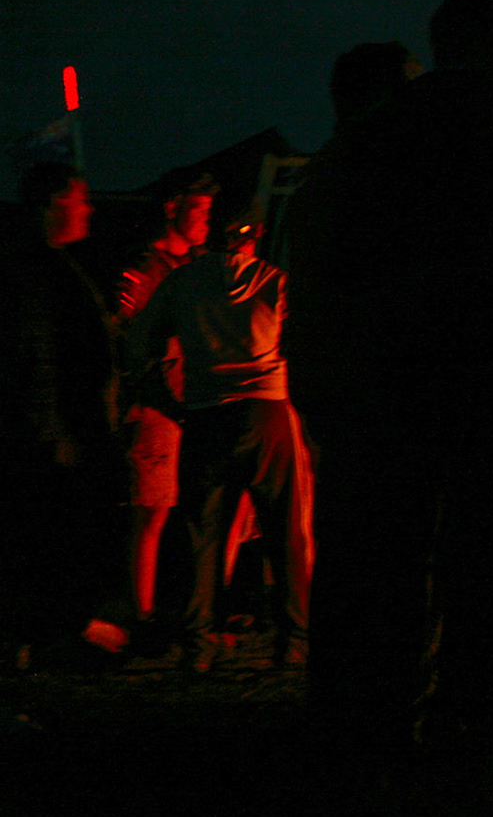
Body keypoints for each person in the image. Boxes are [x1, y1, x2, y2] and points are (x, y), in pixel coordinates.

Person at [285, 0, 493, 748]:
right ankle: (473, 703)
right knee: (484, 555)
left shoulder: (375, 140)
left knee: (395, 551)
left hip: (393, 380)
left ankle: (386, 709)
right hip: (487, 381)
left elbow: (332, 261)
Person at [133, 204, 312, 672]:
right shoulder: (275, 281)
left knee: (204, 533)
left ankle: (199, 643)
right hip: (266, 411)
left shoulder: (182, 282)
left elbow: (140, 344)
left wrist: (168, 401)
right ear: (255, 235)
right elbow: (303, 344)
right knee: (285, 530)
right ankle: (293, 640)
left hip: (205, 414)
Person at [0, 163, 127, 668]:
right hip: (50, 433)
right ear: (54, 202)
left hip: (56, 429)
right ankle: (47, 633)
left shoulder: (47, 265)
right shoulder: (33, 270)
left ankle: (45, 631)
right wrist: (56, 430)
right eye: (81, 198)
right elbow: (37, 354)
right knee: (46, 532)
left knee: (48, 532)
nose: (90, 209)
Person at [114, 172, 217, 628]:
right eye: (200, 209)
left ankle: (187, 609)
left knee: (188, 509)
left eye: (210, 211)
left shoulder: (197, 265)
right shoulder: (147, 269)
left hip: (191, 402)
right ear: (173, 209)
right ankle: (142, 615)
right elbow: (127, 338)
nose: (207, 220)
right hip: (157, 405)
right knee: (151, 513)